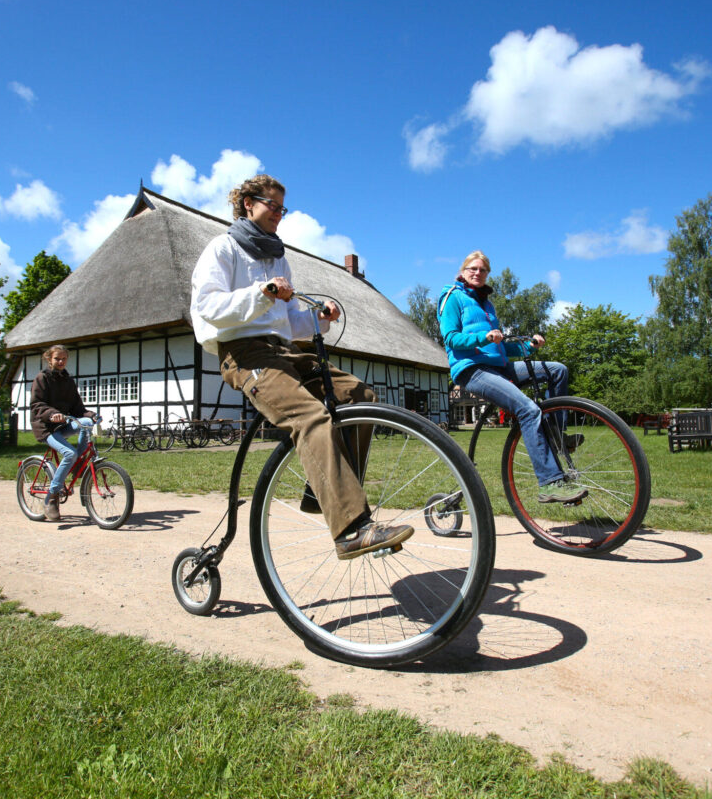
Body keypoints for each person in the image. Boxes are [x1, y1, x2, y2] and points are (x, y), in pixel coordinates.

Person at [190, 174, 412, 559]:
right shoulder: (223, 249)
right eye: (272, 205)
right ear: (248, 203)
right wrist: (262, 294)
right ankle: (350, 529)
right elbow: (207, 309)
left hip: (284, 351)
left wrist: (320, 318)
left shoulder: (278, 258)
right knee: (311, 417)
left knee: (359, 395)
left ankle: (322, 494)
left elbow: (290, 322)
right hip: (244, 354)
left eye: (282, 208)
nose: (279, 213)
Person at [438, 251, 588, 503]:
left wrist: (529, 346)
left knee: (557, 369)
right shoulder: (452, 297)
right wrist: (482, 337)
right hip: (472, 369)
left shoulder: (487, 304)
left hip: (499, 365)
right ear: (463, 271)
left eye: (483, 270)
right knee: (528, 409)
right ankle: (550, 483)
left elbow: (499, 347)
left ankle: (558, 436)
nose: (478, 273)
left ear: (487, 275)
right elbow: (450, 339)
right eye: (473, 269)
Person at [30, 344, 95, 521]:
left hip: (63, 425)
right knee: (69, 452)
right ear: (49, 359)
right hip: (46, 427)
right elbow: (37, 405)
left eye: (64, 359)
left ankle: (77, 465)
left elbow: (78, 408)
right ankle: (51, 498)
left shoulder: (68, 380)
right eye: (57, 358)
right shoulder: (42, 378)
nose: (60, 361)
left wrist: (91, 415)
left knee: (87, 423)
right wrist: (52, 414)